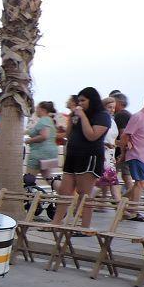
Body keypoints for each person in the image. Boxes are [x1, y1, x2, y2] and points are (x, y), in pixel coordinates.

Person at [57, 87, 111, 231]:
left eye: (83, 100)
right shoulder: (78, 114)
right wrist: (71, 118)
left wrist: (83, 117)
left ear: (91, 100)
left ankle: (85, 227)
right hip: (73, 155)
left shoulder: (102, 115)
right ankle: (55, 224)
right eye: (79, 100)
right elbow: (68, 134)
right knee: (64, 191)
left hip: (89, 156)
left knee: (84, 192)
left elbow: (92, 135)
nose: (80, 103)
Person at [117, 97, 144, 221]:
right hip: (136, 154)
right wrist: (123, 154)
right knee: (140, 183)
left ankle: (121, 203)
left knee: (140, 184)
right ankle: (133, 211)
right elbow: (125, 135)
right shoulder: (137, 117)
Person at [24, 101, 59, 184]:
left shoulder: (43, 120)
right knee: (48, 178)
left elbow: (44, 136)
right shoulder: (50, 120)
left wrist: (29, 141)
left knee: (29, 178)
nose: (36, 110)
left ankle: (29, 195)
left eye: (37, 108)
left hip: (39, 153)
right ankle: (62, 193)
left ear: (43, 109)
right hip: (50, 153)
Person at [95, 97, 122, 201]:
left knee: (105, 183)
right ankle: (120, 207)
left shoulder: (111, 120)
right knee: (111, 182)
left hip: (109, 155)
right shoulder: (101, 120)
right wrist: (107, 144)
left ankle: (81, 205)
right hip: (103, 155)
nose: (112, 110)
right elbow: (96, 138)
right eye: (109, 107)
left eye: (113, 108)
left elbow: (112, 139)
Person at [111, 92, 133, 196]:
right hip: (128, 150)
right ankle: (131, 202)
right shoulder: (128, 114)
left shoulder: (121, 115)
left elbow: (123, 134)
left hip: (121, 151)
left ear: (119, 102)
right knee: (125, 176)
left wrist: (122, 151)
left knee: (110, 176)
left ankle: (123, 201)